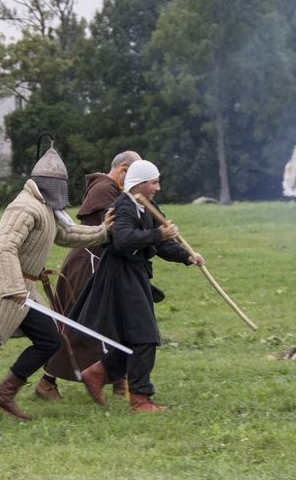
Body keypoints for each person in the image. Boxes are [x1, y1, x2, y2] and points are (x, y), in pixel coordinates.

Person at [0, 145, 113, 426]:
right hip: (3, 287)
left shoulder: (46, 207)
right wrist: (13, 286)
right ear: (49, 183)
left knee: (50, 341)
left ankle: (4, 392)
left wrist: (104, 231)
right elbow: (3, 247)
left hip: (24, 288)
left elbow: (67, 234)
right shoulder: (25, 206)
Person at [71, 160, 203, 412]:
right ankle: (140, 399)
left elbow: (163, 246)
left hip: (136, 275)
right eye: (153, 182)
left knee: (137, 338)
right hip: (120, 276)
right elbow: (122, 240)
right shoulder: (124, 205)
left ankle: (98, 373)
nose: (158, 187)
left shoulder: (149, 207)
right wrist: (158, 235)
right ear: (140, 183)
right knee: (145, 336)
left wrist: (188, 257)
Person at [33, 150, 141, 402]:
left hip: (102, 266)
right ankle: (47, 382)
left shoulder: (112, 190)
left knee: (114, 323)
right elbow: (114, 231)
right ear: (123, 169)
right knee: (79, 326)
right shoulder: (104, 190)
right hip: (86, 267)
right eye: (133, 175)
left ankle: (117, 378)